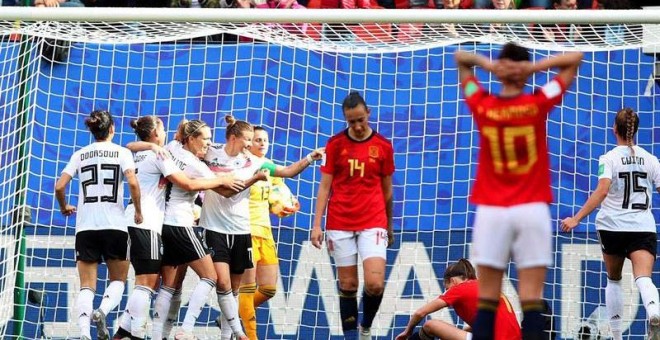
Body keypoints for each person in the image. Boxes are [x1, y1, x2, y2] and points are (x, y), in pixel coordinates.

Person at [455, 43, 582, 340]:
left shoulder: (483, 103)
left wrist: (489, 66)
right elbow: (574, 59)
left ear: (501, 70)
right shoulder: (537, 102)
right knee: (532, 297)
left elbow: (461, 60)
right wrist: (532, 70)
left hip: (491, 208)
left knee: (486, 298)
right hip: (532, 208)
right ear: (524, 73)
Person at [109, 116, 243, 340]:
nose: (209, 143)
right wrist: (229, 179)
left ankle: (152, 334)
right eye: (206, 139)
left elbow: (130, 145)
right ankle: (184, 330)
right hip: (174, 224)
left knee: (170, 286)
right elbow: (195, 185)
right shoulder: (175, 159)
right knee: (208, 278)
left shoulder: (168, 148)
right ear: (191, 139)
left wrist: (152, 144)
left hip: (157, 225)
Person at [200, 116, 324, 340]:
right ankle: (248, 335)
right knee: (242, 289)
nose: (260, 144)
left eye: (264, 140)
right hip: (243, 230)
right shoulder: (231, 160)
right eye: (255, 139)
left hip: (265, 232)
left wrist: (286, 205)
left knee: (268, 289)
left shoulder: (264, 168)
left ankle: (231, 316)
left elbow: (282, 186)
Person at [561, 108, 660, 340]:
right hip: (642, 226)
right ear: (636, 130)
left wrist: (576, 218)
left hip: (612, 227)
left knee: (613, 279)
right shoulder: (652, 160)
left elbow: (602, 190)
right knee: (643, 278)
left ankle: (616, 336)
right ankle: (654, 312)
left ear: (614, 129)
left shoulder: (608, 159)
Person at [311, 91, 395, 340]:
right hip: (340, 222)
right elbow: (324, 187)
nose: (357, 126)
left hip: (373, 221)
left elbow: (388, 191)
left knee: (375, 283)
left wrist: (389, 225)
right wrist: (317, 225)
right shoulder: (335, 145)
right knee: (348, 285)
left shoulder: (383, 146)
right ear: (345, 120)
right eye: (351, 122)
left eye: (361, 119)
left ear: (368, 113)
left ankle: (366, 326)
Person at [54, 109, 142, 340]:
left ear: (92, 131)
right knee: (118, 281)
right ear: (112, 129)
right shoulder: (122, 153)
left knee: (86, 286)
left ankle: (84, 333)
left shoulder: (80, 154)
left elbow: (59, 186)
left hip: (86, 227)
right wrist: (139, 211)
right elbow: (133, 182)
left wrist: (64, 207)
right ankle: (102, 311)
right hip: (115, 225)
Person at [395, 259, 521, 340]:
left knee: (430, 325)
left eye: (446, 288)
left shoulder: (460, 288)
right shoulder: (486, 287)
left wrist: (407, 331)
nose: (447, 291)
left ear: (453, 281)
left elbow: (420, 313)